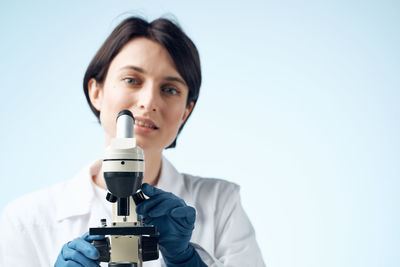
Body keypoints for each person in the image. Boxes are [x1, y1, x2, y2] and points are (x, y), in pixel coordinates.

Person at [0, 16, 265, 267]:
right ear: (96, 92)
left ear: (185, 111)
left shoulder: (221, 204)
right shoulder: (26, 220)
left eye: (170, 89)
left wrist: (185, 260)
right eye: (131, 80)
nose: (148, 102)